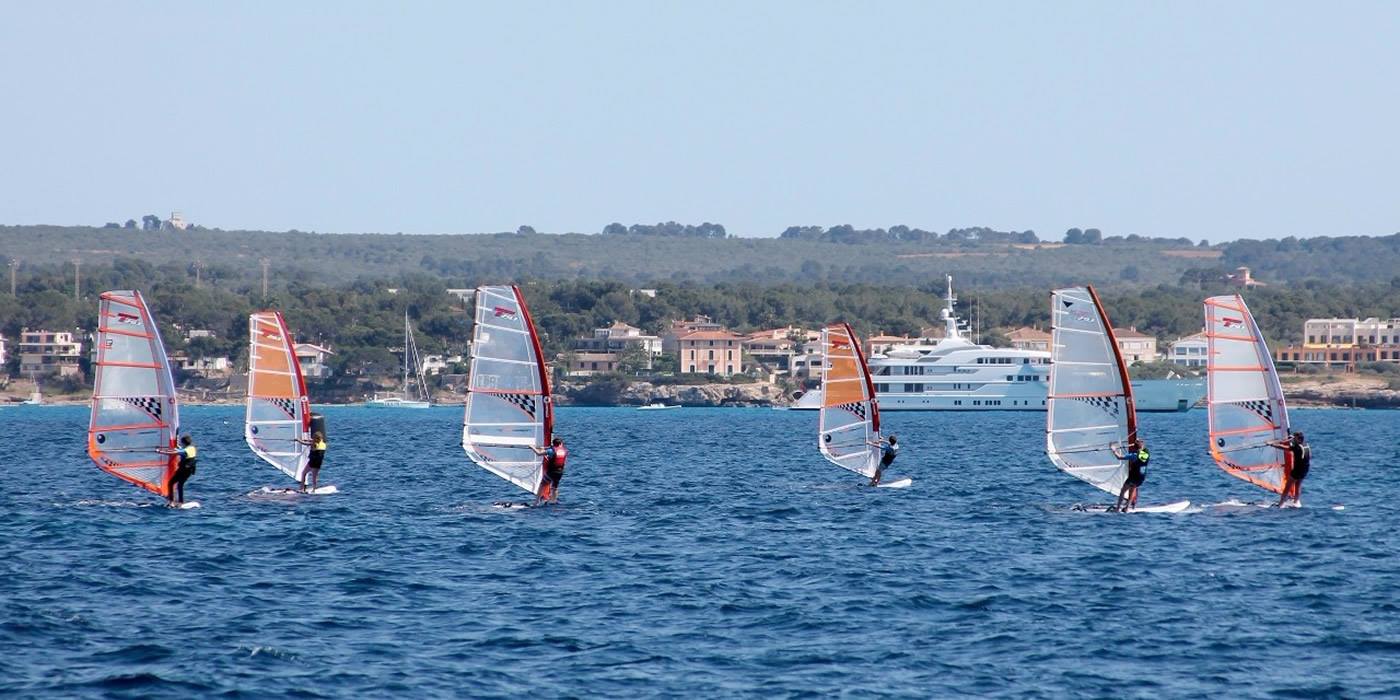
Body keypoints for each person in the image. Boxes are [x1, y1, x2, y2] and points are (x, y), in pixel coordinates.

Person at [1271, 431, 1311, 507]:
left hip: (1297, 470)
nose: (1293, 440)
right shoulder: (1306, 445)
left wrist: (1274, 445)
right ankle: (1296, 501)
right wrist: (1290, 440)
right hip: (1305, 469)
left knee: (1287, 486)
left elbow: (1286, 448)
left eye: (1295, 439)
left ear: (1299, 439)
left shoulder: (1297, 447)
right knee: (1298, 485)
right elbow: (1309, 456)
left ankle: (1281, 504)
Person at [158, 435, 197, 507]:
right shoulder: (192, 448)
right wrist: (178, 447)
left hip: (184, 470)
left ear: (184, 443)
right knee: (175, 484)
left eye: (181, 443)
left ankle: (176, 502)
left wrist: (160, 452)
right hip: (187, 470)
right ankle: (176, 501)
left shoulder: (184, 450)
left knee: (175, 484)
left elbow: (174, 453)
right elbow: (181, 450)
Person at [1111, 438, 1149, 512]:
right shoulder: (1146, 454)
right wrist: (1138, 443)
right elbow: (1142, 448)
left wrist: (1114, 450)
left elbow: (1119, 457)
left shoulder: (1133, 455)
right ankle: (1127, 508)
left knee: (1123, 491)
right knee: (1132, 490)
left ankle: (1118, 508)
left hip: (1133, 477)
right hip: (1141, 478)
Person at [529, 437, 568, 504]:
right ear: (560, 444)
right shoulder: (565, 451)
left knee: (542, 484)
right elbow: (563, 461)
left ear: (554, 444)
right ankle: (554, 501)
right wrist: (544, 448)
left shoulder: (551, 451)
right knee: (555, 487)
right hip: (559, 472)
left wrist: (532, 447)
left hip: (551, 472)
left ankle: (536, 502)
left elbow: (538, 453)